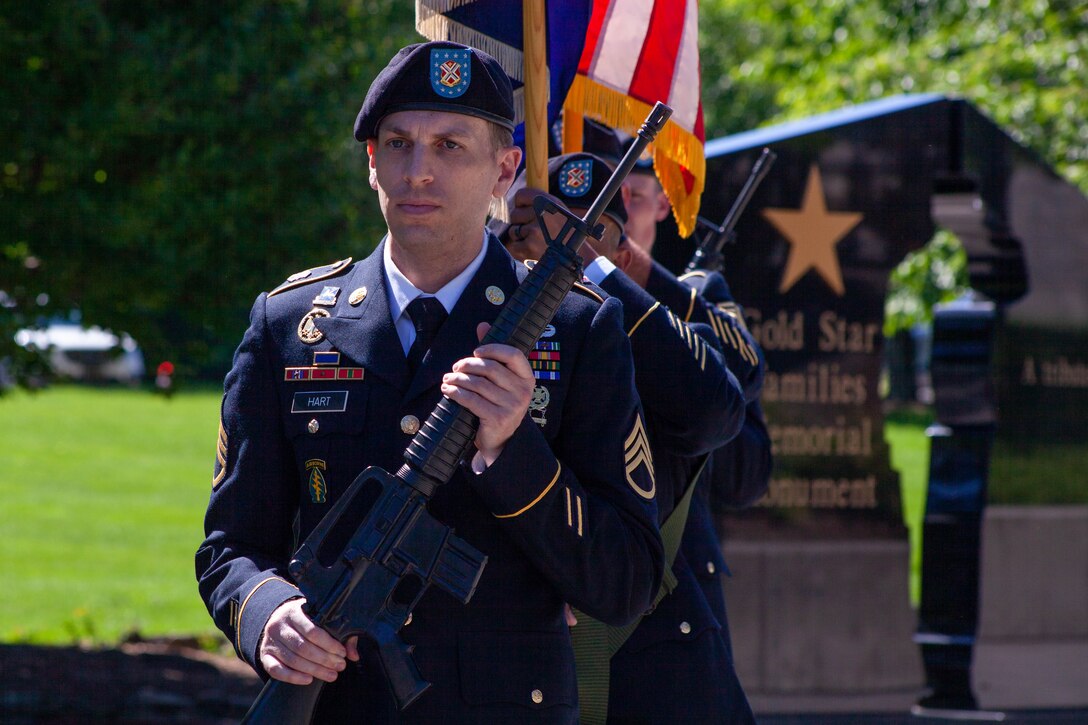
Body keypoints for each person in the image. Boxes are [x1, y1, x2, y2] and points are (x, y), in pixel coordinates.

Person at [195, 42, 665, 724]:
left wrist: (514, 455)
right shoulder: (289, 326)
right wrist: (268, 613)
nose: (419, 171)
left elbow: (626, 581)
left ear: (504, 170)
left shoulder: (577, 331)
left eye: (451, 146)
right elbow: (231, 544)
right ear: (371, 163)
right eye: (399, 144)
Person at [502, 151, 761, 723]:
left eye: (594, 229)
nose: (567, 239)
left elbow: (723, 400)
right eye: (549, 225)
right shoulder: (480, 308)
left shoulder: (647, 317)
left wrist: (592, 268)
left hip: (648, 646)